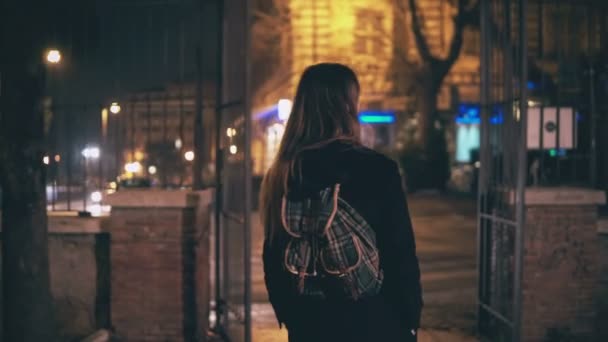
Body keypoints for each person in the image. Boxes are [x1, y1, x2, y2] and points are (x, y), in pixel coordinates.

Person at [261, 63, 422, 342]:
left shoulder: (283, 173)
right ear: (348, 106)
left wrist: (290, 316)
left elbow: (274, 255)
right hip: (374, 321)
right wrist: (409, 320)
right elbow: (400, 253)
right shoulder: (377, 169)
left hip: (310, 324)